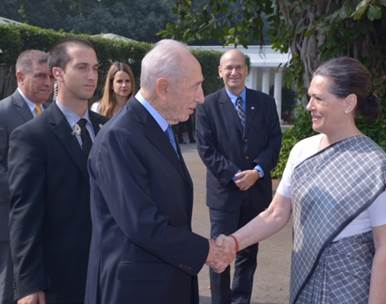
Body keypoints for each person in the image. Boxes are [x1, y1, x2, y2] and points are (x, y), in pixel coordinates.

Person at [217, 57, 386, 304]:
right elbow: (276, 214)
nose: (309, 106)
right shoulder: (302, 151)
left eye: (319, 98)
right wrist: (232, 242)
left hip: (350, 291)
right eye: (309, 97)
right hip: (305, 284)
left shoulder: (376, 168)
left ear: (349, 102)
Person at [84, 39, 234, 304]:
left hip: (163, 283)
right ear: (163, 87)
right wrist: (207, 252)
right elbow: (142, 224)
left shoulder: (158, 127)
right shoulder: (119, 137)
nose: (201, 98)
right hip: (136, 291)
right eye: (195, 87)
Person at [8, 38, 108, 304]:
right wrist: (29, 285)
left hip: (110, 272)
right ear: (58, 73)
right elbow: (24, 215)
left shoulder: (109, 129)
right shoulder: (31, 136)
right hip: (61, 280)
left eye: (96, 68)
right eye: (82, 67)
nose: (92, 76)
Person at [196, 49, 282, 304]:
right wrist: (235, 175)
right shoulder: (207, 105)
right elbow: (206, 149)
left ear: (247, 70)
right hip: (224, 194)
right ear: (220, 71)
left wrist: (257, 172)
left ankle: (241, 300)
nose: (234, 72)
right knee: (220, 253)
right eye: (228, 67)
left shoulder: (265, 102)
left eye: (239, 67)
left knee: (248, 253)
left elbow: (275, 140)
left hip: (256, 191)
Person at [0, 50, 52, 304]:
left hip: (49, 224)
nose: (48, 82)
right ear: (20, 77)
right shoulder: (3, 113)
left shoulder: (52, 112)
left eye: (51, 76)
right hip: (11, 224)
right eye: (40, 76)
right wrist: (34, 188)